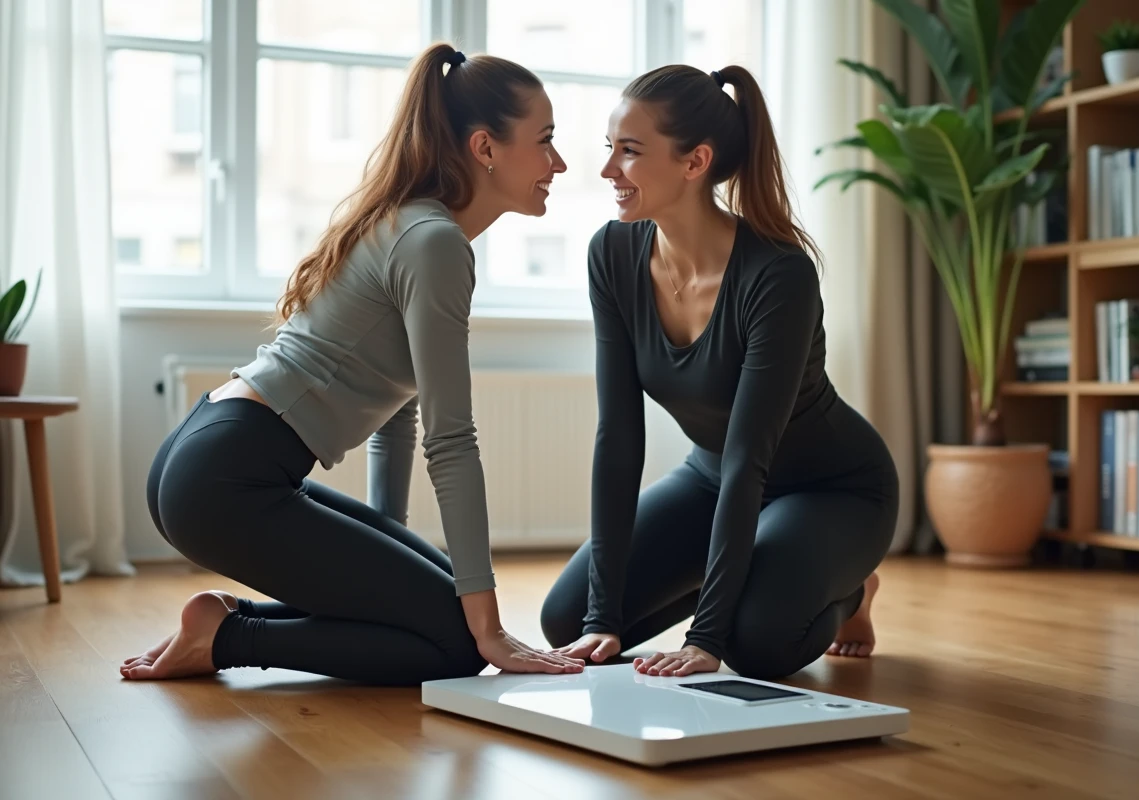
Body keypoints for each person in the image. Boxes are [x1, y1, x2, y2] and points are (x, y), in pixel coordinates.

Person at [121, 43, 585, 685]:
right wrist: (490, 632)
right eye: (546, 141)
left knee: (446, 596)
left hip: (210, 452)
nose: (558, 163)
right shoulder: (435, 244)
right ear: (485, 148)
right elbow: (450, 440)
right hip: (225, 482)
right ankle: (226, 639)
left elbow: (401, 409)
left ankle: (221, 621)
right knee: (458, 643)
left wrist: (380, 564)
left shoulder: (411, 223)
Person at [540, 64, 899, 680]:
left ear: (694, 161)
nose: (607, 171)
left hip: (830, 488)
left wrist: (706, 636)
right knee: (568, 622)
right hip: (712, 478)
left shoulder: (778, 275)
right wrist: (603, 617)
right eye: (610, 149)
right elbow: (619, 439)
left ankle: (851, 590)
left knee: (753, 644)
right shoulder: (614, 253)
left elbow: (749, 456)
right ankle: (754, 567)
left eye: (629, 152)